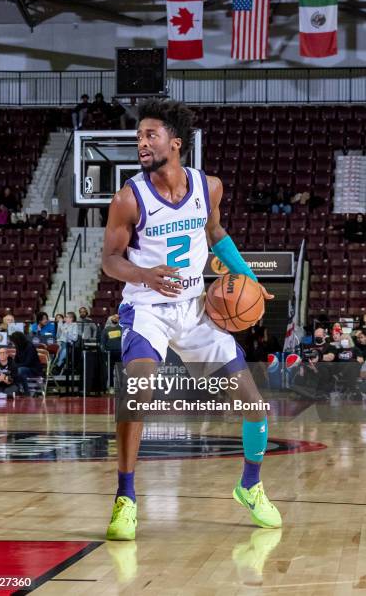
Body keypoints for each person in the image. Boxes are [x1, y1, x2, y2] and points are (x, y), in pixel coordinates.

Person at [101, 98, 281, 541]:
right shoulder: (128, 198)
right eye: (139, 135)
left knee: (254, 406)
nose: (141, 143)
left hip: (197, 307)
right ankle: (126, 498)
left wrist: (248, 277)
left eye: (150, 135)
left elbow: (215, 234)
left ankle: (251, 486)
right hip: (147, 307)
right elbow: (109, 260)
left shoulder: (209, 187)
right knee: (137, 389)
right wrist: (144, 274)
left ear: (175, 143)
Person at [9, 332, 42, 396]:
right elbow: (16, 360)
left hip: (33, 369)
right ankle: (18, 390)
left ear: (17, 340)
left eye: (13, 342)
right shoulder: (18, 347)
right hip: (23, 368)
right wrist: (11, 365)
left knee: (20, 370)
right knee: (15, 370)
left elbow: (28, 363)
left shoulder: (30, 346)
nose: (13, 344)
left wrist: (15, 366)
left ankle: (24, 391)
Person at [100, 314, 122, 389]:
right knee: (110, 370)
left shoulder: (121, 328)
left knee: (120, 370)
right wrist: (103, 350)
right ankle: (111, 386)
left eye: (117, 318)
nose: (115, 318)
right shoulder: (106, 329)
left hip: (120, 352)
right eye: (114, 317)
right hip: (110, 353)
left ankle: (121, 386)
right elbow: (102, 342)